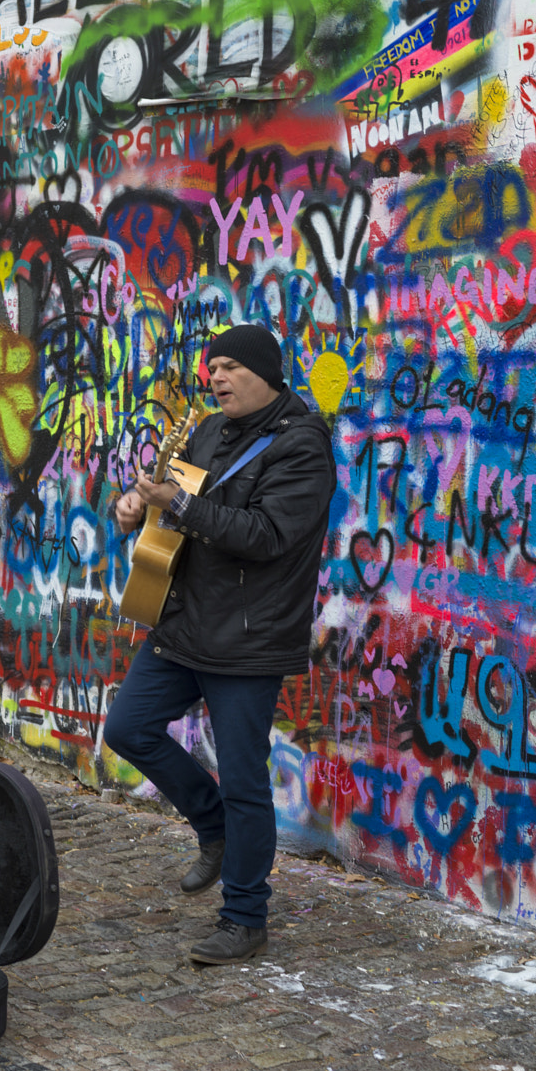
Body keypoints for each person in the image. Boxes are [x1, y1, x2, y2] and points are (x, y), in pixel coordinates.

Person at [103, 325, 336, 966]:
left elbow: (266, 534)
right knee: (128, 727)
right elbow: (167, 509)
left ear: (265, 372)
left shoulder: (302, 446)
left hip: (250, 638)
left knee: (243, 777)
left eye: (231, 366)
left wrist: (177, 503)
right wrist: (135, 507)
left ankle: (244, 916)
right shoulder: (206, 432)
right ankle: (214, 827)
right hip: (183, 624)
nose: (217, 378)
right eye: (212, 368)